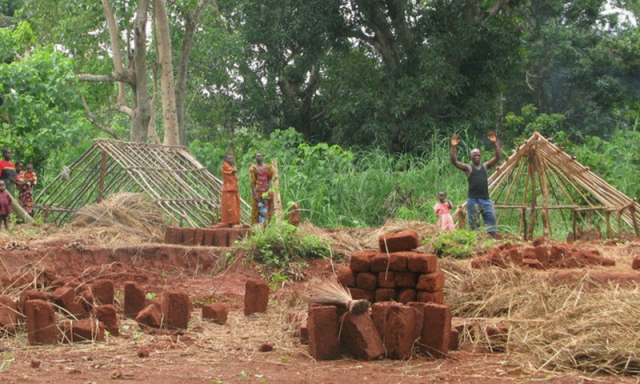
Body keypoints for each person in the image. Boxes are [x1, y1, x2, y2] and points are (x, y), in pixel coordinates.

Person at [451, 131, 500, 234]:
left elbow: (497, 157)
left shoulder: (485, 166)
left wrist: (494, 143)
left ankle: (491, 244)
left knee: (491, 225)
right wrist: (453, 147)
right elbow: (454, 162)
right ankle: (476, 245)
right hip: (473, 200)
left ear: (480, 156)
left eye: (478, 155)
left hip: (486, 200)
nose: (476, 157)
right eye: (474, 155)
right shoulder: (469, 168)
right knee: (474, 227)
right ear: (471, 157)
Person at [249, 152, 274, 225]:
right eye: (257, 156)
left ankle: (267, 226)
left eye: (260, 156)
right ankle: (256, 227)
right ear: (255, 158)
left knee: (267, 208)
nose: (259, 157)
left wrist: (268, 189)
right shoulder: (253, 168)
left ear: (263, 157)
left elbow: (269, 179)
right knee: (256, 209)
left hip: (266, 191)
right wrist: (255, 194)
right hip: (257, 191)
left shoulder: (268, 167)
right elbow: (252, 182)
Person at [220, 154, 241, 226]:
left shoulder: (231, 166)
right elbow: (233, 171)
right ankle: (229, 222)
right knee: (230, 206)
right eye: (230, 158)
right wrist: (236, 169)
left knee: (235, 205)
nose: (231, 160)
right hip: (228, 189)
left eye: (232, 158)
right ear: (226, 159)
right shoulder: (225, 165)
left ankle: (235, 221)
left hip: (233, 188)